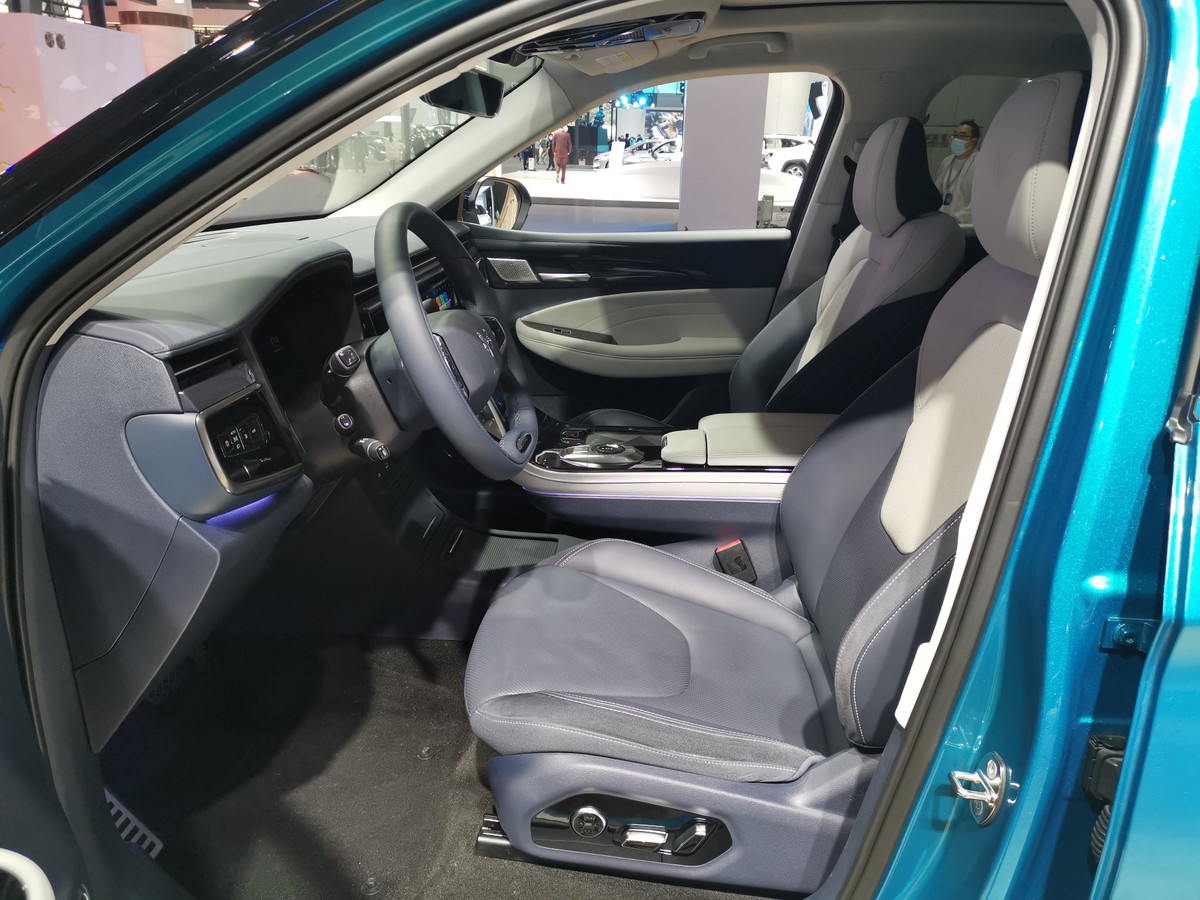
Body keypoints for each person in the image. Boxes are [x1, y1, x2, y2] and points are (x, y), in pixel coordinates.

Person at [935, 119, 980, 225]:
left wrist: (958, 218)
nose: (957, 139)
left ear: (973, 141)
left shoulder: (980, 163)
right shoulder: (947, 161)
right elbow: (937, 190)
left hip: (966, 224)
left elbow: (981, 200)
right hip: (943, 220)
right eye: (955, 135)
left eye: (962, 136)